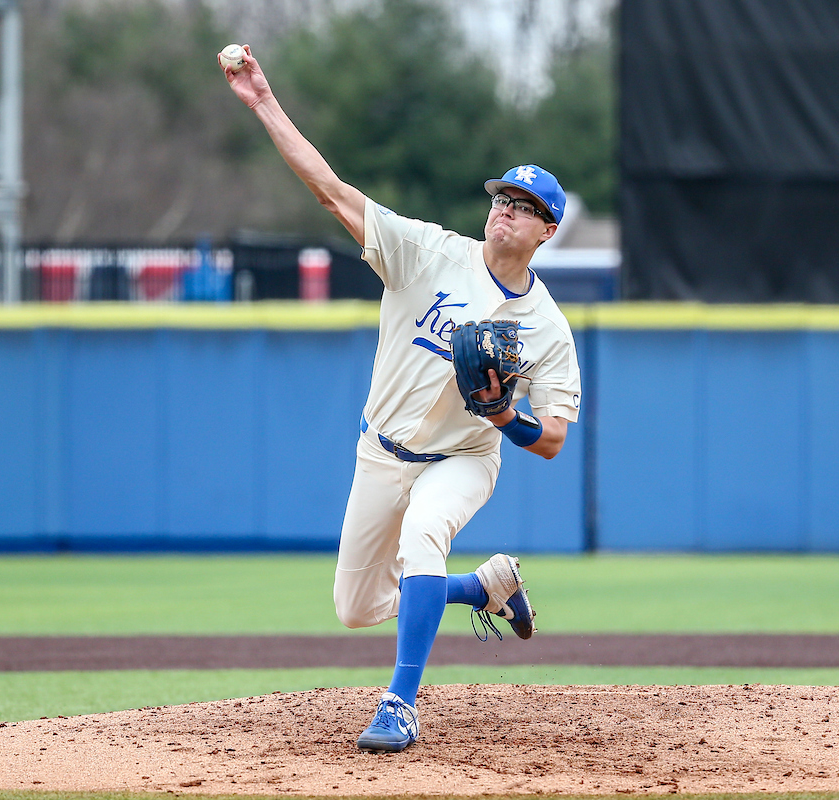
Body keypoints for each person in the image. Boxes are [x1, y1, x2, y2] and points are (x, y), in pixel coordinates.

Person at [219, 46, 582, 752]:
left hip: (464, 457)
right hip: (380, 451)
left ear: (548, 230)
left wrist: (506, 415)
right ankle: (482, 588)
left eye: (527, 206)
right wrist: (264, 100)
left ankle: (401, 703)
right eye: (504, 197)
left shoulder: (547, 327)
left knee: (424, 536)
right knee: (355, 608)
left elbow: (555, 437)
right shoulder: (426, 252)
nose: (508, 209)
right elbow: (330, 190)